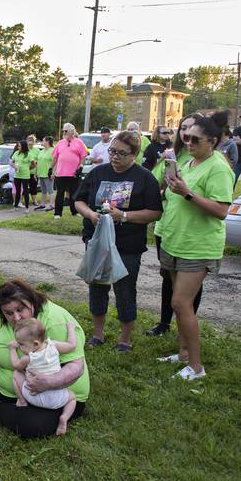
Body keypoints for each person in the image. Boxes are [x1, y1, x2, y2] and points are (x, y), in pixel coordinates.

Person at [0, 280, 89, 439]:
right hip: (18, 388)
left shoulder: (53, 320)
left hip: (53, 395)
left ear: (32, 302)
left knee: (34, 426)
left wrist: (50, 381)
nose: (16, 317)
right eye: (9, 313)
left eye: (21, 310)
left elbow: (77, 367)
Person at [157, 115, 234, 380]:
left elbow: (222, 210)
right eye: (186, 136)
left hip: (198, 246)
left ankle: (197, 367)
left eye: (195, 139)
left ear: (212, 141)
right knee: (177, 304)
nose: (187, 142)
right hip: (176, 241)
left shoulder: (218, 167)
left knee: (181, 302)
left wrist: (187, 193)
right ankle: (183, 354)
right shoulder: (189, 162)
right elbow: (176, 193)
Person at [74, 131, 163, 352]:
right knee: (97, 286)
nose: (114, 157)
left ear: (134, 154)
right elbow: (79, 201)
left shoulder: (144, 178)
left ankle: (125, 339)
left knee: (124, 290)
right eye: (112, 151)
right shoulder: (97, 173)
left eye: (121, 153)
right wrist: (90, 215)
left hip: (127, 245)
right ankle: (97, 334)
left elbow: (154, 212)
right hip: (96, 242)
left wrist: (123, 216)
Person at [146, 113, 204, 337]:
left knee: (188, 284)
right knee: (167, 277)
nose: (186, 134)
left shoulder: (203, 160)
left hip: (191, 231)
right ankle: (164, 323)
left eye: (192, 129)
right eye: (183, 128)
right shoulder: (172, 155)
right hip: (166, 228)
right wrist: (163, 162)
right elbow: (153, 183)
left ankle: (186, 326)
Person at [8, 318, 78, 436]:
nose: (19, 347)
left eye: (21, 344)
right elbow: (72, 345)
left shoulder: (29, 358)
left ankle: (21, 401)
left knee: (16, 374)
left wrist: (12, 349)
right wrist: (70, 328)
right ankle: (64, 418)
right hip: (56, 398)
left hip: (33, 395)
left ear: (35, 344)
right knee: (73, 398)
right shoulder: (53, 346)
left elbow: (16, 365)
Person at [52, 123, 87, 219]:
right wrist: (51, 169)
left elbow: (83, 156)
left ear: (72, 131)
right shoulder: (60, 143)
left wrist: (81, 167)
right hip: (61, 173)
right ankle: (57, 213)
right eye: (63, 131)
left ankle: (74, 211)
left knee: (74, 193)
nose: (64, 132)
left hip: (74, 173)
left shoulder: (79, 142)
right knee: (60, 193)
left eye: (66, 131)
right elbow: (55, 157)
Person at [11, 139, 37, 210]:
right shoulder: (16, 153)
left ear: (23, 146)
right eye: (18, 146)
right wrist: (15, 166)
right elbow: (11, 162)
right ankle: (15, 206)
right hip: (17, 175)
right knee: (18, 191)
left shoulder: (28, 154)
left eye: (20, 146)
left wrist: (28, 169)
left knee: (25, 191)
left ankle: (27, 207)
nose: (18, 147)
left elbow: (34, 164)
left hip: (25, 175)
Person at [33, 136, 55, 210]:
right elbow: (38, 163)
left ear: (47, 142)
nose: (42, 142)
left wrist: (53, 173)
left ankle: (51, 205)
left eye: (43, 140)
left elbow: (55, 162)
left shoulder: (53, 150)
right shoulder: (41, 151)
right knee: (43, 190)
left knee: (50, 189)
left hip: (47, 173)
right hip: (40, 173)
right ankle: (42, 204)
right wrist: (36, 173)